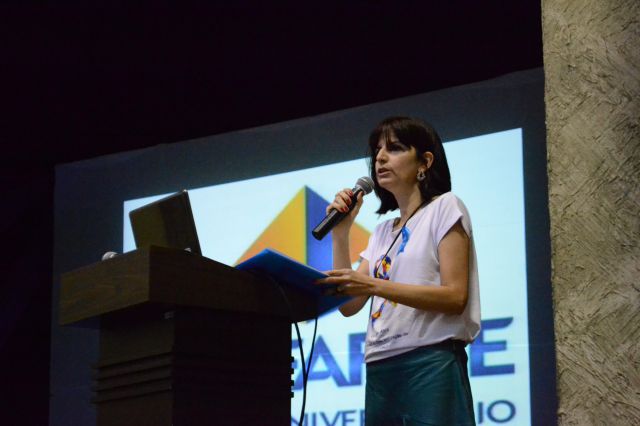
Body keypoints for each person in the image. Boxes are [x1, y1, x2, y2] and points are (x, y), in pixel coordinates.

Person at [317, 116, 480, 425]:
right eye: (377, 150)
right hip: (379, 369)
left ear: (425, 162)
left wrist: (374, 285)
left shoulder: (445, 207)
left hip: (429, 363)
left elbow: (455, 296)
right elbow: (349, 305)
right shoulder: (382, 232)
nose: (380, 157)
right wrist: (341, 234)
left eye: (394, 148)